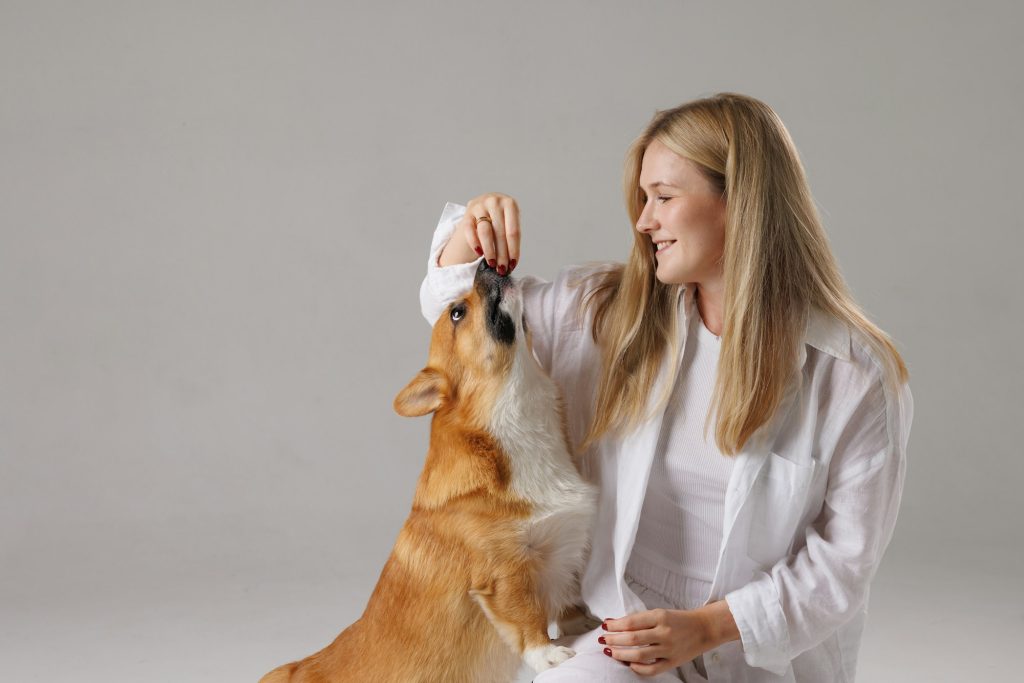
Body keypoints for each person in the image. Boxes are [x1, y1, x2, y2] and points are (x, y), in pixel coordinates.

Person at [417, 92, 913, 682]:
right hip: (622, 644)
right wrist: (469, 236)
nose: (643, 220)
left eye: (664, 197)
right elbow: (457, 318)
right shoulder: (605, 313)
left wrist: (710, 627)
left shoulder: (853, 374)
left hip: (761, 663)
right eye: (643, 198)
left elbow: (841, 568)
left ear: (740, 203)